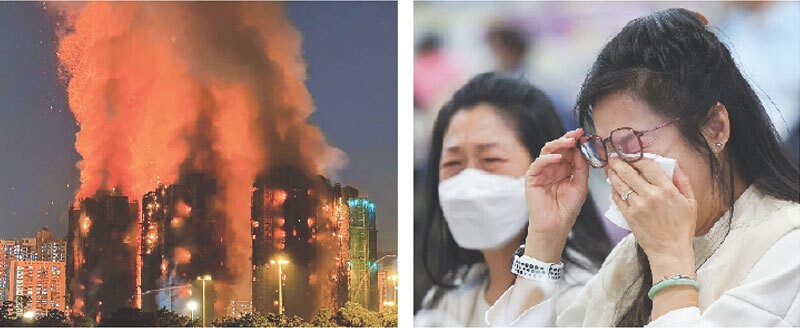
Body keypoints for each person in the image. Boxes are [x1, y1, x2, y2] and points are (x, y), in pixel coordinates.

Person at [487, 8, 800, 326]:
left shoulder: (787, 249)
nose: (615, 172)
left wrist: (670, 264)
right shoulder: (632, 257)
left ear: (716, 128)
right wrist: (544, 239)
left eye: (631, 143)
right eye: (605, 149)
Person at [415, 72, 612, 326]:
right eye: (453, 163)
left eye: (491, 160)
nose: (469, 183)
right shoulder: (449, 297)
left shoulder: (585, 298)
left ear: (550, 167)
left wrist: (542, 248)